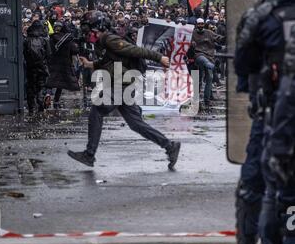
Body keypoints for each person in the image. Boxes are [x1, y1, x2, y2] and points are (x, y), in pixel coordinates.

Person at [234, 0, 295, 244]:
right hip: (277, 109)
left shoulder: (263, 16)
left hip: (274, 114)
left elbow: (243, 65)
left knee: (262, 184)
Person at [67, 11, 181, 171]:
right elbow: (107, 61)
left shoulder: (110, 39)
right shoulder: (103, 42)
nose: (87, 34)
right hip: (122, 84)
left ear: (96, 28)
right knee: (136, 124)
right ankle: (170, 146)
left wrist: (159, 57)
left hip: (123, 84)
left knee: (97, 111)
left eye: (88, 30)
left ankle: (89, 154)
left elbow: (134, 50)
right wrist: (90, 64)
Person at [191, 17, 224, 107]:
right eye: (199, 24)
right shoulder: (192, 33)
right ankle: (195, 99)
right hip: (198, 56)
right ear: (196, 24)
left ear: (204, 24)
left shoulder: (209, 33)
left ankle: (207, 100)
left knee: (209, 78)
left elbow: (219, 38)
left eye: (202, 24)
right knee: (198, 79)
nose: (200, 25)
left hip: (210, 57)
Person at [46, 22, 80, 109]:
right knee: (60, 83)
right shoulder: (68, 39)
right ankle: (56, 100)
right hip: (65, 63)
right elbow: (75, 50)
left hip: (52, 62)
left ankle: (48, 94)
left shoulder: (51, 38)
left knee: (51, 81)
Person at [23, 17, 51, 116]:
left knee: (30, 87)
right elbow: (49, 55)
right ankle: (41, 105)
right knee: (41, 86)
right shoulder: (45, 40)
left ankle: (31, 109)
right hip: (42, 67)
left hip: (31, 67)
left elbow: (24, 54)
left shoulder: (26, 40)